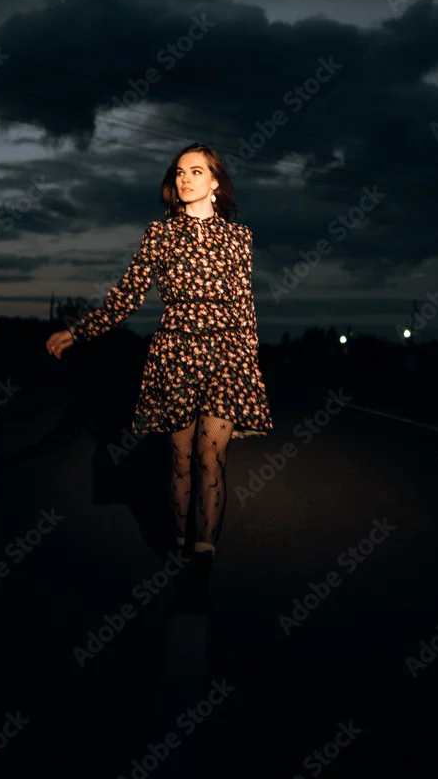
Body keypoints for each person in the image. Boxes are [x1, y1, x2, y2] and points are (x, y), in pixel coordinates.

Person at [46, 143, 273, 611]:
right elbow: (127, 295)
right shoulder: (160, 234)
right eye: (179, 172)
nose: (185, 178)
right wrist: (79, 330)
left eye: (197, 171)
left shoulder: (240, 238)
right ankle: (183, 548)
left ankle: (201, 565)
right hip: (175, 355)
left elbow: (244, 304)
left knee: (211, 456)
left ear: (215, 182)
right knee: (181, 458)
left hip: (226, 356)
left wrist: (248, 367)